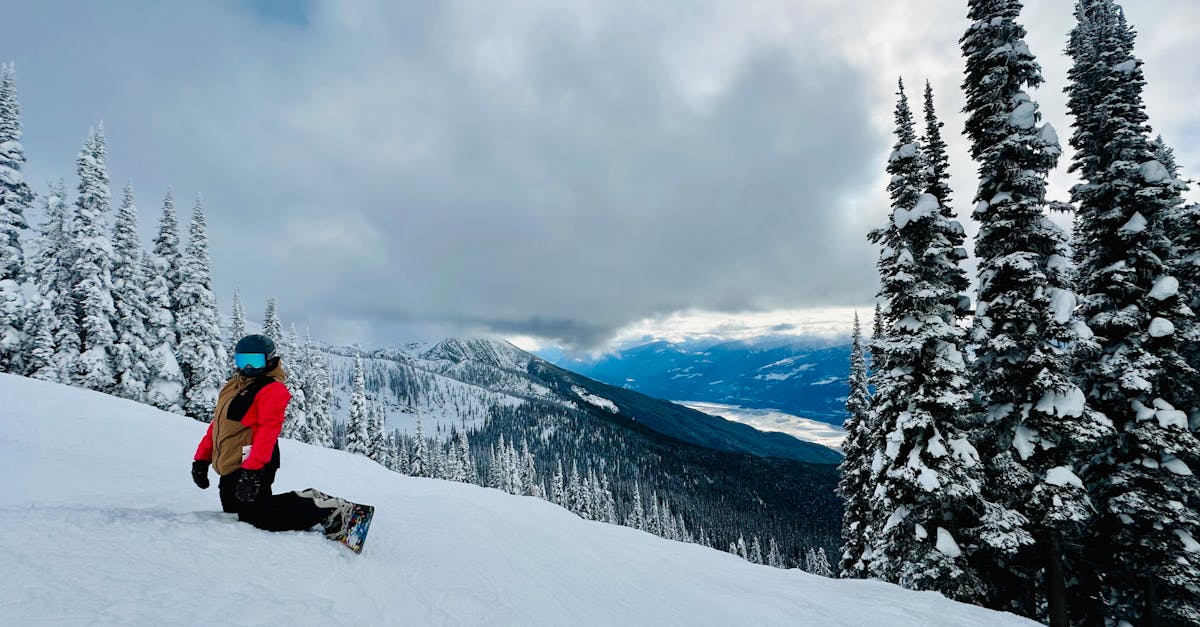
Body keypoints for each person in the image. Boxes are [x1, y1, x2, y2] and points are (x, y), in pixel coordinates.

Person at [191, 334, 355, 538]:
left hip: (255, 459)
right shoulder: (233, 385)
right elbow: (218, 424)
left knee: (258, 518)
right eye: (243, 360)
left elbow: (268, 431)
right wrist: (202, 458)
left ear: (269, 359)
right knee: (236, 512)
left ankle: (327, 509)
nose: (249, 366)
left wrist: (252, 470)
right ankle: (310, 499)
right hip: (230, 460)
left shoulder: (271, 389)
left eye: (255, 360)